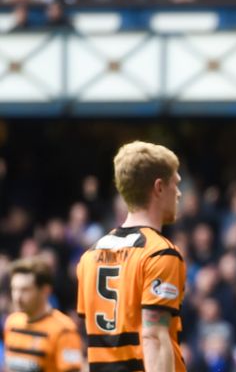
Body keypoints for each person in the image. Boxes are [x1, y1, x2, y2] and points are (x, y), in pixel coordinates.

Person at [76, 141, 186, 372]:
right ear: (159, 187)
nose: (179, 193)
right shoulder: (160, 253)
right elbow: (154, 336)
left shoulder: (90, 256)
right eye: (175, 184)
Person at [3, 257, 83, 372]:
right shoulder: (12, 323)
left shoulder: (64, 330)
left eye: (25, 290)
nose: (17, 297)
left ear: (45, 290)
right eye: (14, 289)